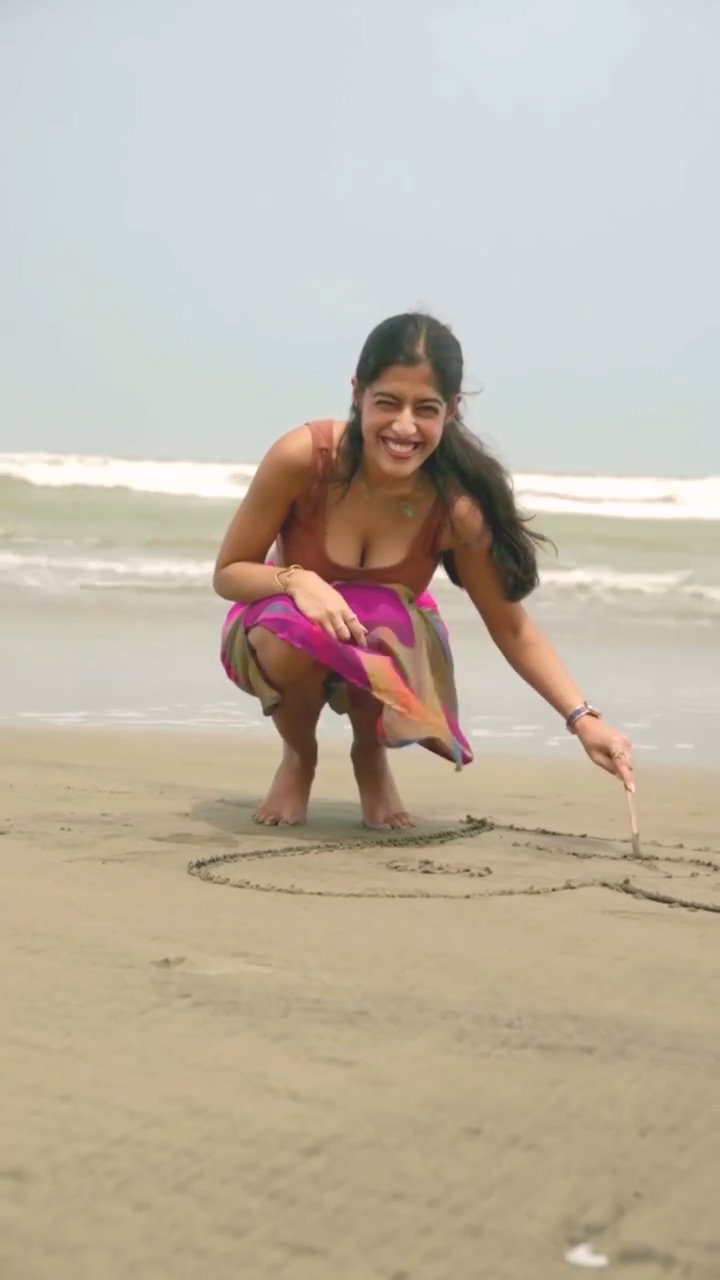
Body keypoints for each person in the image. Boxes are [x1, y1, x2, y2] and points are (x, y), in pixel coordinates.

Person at [214, 312, 633, 828]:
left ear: (451, 410)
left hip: (393, 641)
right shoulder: (305, 459)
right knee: (291, 626)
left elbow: (513, 628)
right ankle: (299, 756)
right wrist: (298, 580)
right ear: (358, 393)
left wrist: (583, 720)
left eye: (426, 409)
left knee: (385, 616)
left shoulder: (455, 509)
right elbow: (229, 572)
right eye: (388, 402)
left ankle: (371, 756)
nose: (404, 427)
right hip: (278, 628)